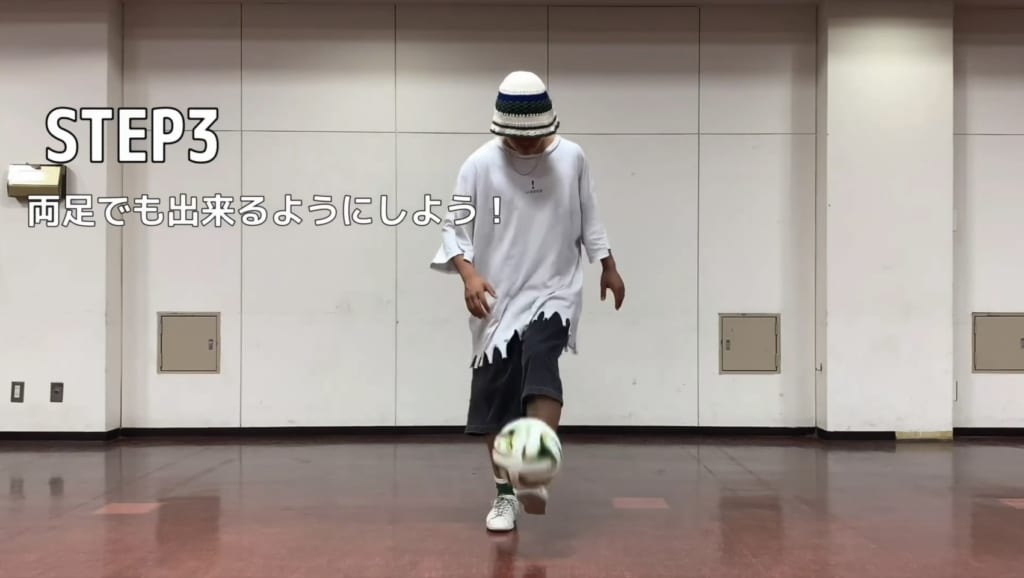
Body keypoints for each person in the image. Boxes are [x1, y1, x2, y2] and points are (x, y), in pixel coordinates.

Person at [430, 70, 625, 532]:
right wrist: (469, 275)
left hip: (555, 288)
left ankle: (535, 472)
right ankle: (505, 496)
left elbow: (591, 216)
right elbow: (453, 229)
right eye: (517, 139)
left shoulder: (572, 157)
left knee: (541, 360)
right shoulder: (479, 164)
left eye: (534, 137)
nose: (526, 145)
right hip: (498, 298)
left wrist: (608, 265)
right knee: (497, 398)